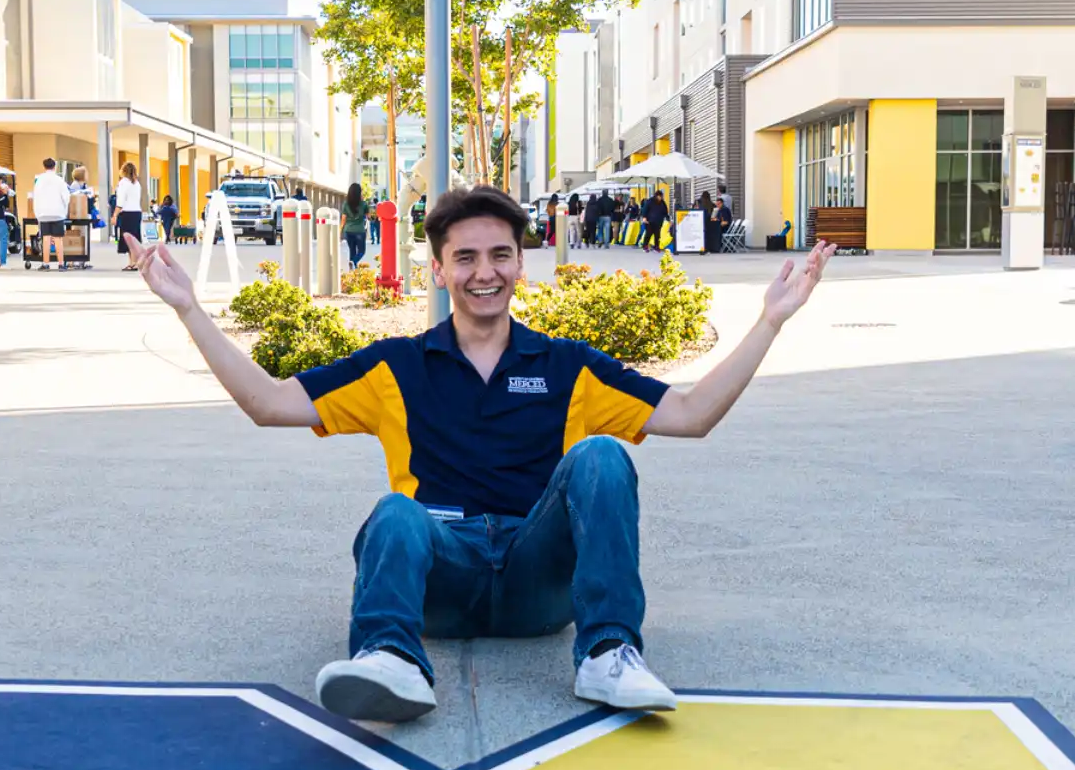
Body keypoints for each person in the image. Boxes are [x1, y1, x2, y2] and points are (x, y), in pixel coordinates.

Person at [126, 184, 837, 723]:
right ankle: (392, 661)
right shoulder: (396, 367)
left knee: (601, 458)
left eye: (499, 255)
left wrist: (770, 322)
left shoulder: (567, 367)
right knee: (394, 515)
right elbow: (269, 404)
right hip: (444, 575)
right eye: (464, 257)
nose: (483, 272)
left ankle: (607, 655)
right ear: (438, 270)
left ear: (520, 265)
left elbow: (691, 415)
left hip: (538, 582)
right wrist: (189, 308)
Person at [30, 157, 72, 271]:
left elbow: (35, 197)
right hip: (57, 213)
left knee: (46, 239)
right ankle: (61, 264)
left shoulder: (39, 180)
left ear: (44, 167)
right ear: (55, 167)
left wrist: (37, 213)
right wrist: (64, 209)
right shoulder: (59, 180)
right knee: (58, 239)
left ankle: (45, 263)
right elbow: (66, 197)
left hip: (43, 214)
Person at [114, 161, 145, 269]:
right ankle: (134, 262)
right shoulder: (137, 183)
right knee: (134, 238)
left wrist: (115, 215)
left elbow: (120, 201)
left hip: (127, 213)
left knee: (128, 239)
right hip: (137, 212)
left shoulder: (123, 183)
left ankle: (132, 263)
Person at [341, 181, 370, 269]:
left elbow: (343, 219)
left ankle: (352, 271)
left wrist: (340, 231)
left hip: (348, 231)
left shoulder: (345, 204)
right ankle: (354, 262)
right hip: (359, 231)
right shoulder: (364, 204)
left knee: (352, 251)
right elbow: (368, 216)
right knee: (361, 251)